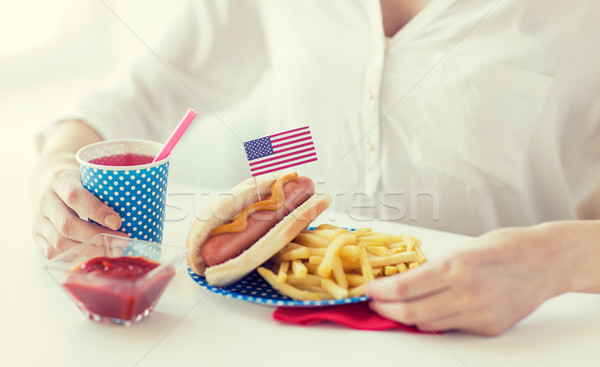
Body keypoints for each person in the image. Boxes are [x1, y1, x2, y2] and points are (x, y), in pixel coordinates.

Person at [30, 0, 600, 336]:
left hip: (516, 340)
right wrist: (55, 172)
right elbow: (132, 98)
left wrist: (554, 261)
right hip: (282, 330)